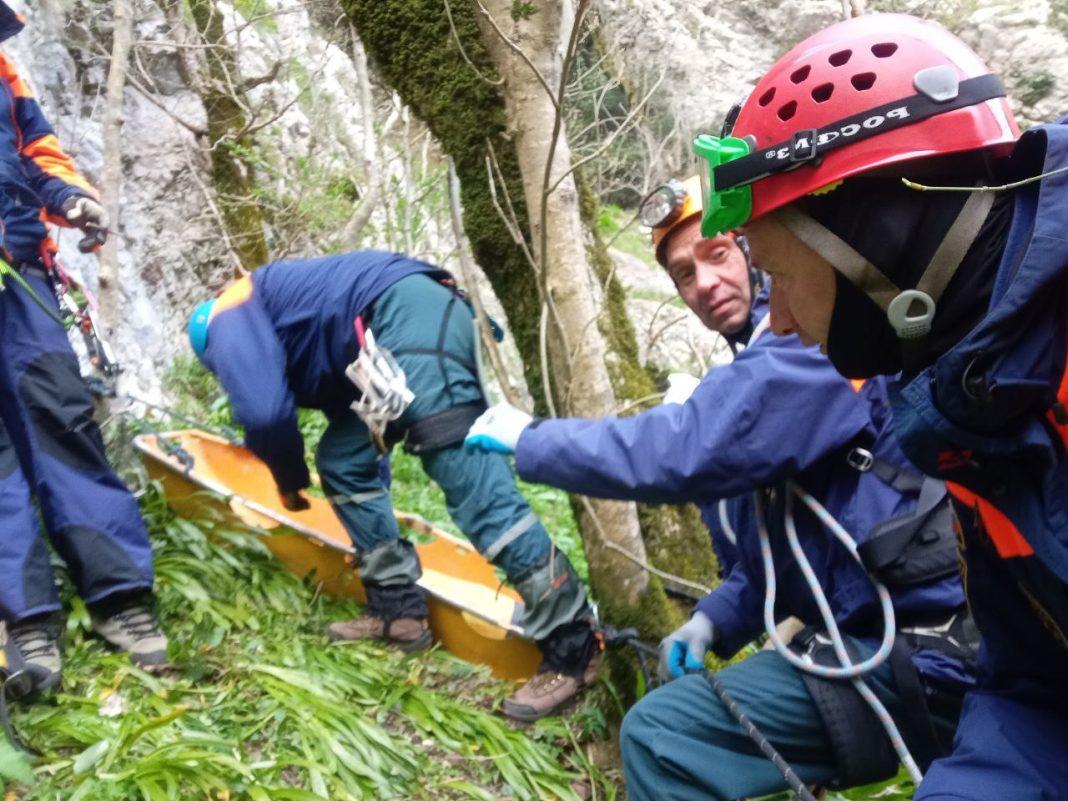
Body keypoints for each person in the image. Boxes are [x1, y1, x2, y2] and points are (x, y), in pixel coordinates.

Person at [465, 176, 975, 799]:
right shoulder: (759, 364)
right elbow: (796, 541)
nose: (704, 283)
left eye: (717, 255)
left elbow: (689, 446)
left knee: (662, 737)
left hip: (929, 647)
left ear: (755, 254)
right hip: (885, 636)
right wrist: (714, 619)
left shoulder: (809, 343)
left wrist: (533, 439)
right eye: (684, 274)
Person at [692, 12, 1068, 799]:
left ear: (870, 239)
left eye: (778, 275)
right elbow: (1036, 684)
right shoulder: (963, 401)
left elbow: (680, 445)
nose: (777, 319)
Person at [187, 250, 599, 720]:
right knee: (344, 461)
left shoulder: (227, 318)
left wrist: (288, 482)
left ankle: (574, 647)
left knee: (467, 477)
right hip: (388, 341)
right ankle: (397, 610)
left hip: (407, 316)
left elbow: (264, 415)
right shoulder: (287, 329)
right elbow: (362, 428)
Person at [0, 2, 168, 690]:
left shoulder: (3, 71)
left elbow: (33, 152)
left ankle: (119, 596)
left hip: (20, 277)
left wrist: (71, 198)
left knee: (63, 420)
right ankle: (26, 618)